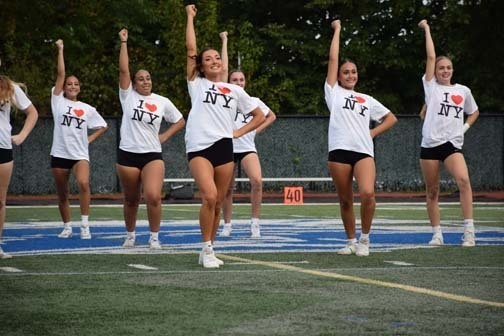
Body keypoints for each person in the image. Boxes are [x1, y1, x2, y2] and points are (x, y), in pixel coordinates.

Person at [185, 4, 265, 268]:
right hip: (198, 146)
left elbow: (259, 116)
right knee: (208, 196)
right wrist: (190, 18)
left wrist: (237, 133)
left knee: (218, 201)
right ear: (201, 66)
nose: (214, 61)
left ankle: (209, 248)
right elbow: (190, 50)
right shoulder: (197, 84)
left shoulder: (234, 90)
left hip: (223, 147)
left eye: (217, 58)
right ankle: (206, 248)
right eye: (208, 59)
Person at [325, 19, 397, 257]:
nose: (350, 75)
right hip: (338, 151)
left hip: (364, 151)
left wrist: (372, 133)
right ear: (338, 76)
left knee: (368, 193)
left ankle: (365, 239)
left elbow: (391, 118)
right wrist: (337, 31)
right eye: (346, 72)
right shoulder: (333, 93)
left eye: (353, 72)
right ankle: (350, 241)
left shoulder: (367, 99)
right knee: (345, 200)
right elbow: (333, 59)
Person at [118, 28, 185, 249]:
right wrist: (124, 42)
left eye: (148, 78)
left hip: (152, 155)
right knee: (131, 199)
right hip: (127, 154)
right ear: (134, 84)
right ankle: (130, 235)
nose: (145, 82)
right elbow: (124, 70)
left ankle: (154, 237)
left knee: (154, 196)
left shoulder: (161, 101)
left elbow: (180, 120)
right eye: (141, 79)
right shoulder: (128, 96)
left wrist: (164, 135)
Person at [418, 19, 479, 247]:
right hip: (430, 145)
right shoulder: (430, 86)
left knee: (463, 180)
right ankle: (437, 234)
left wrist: (463, 128)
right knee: (432, 191)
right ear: (435, 71)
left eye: (448, 67)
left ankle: (469, 231)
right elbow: (431, 57)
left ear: (452, 70)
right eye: (441, 68)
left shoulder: (463, 91)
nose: (445, 70)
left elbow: (474, 112)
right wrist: (427, 29)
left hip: (451, 145)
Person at [218, 32, 277, 238]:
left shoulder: (253, 100)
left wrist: (254, 130)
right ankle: (227, 225)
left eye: (241, 79)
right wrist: (224, 41)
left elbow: (270, 116)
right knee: (226, 189)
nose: (238, 82)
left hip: (247, 147)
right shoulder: (223, 98)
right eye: (234, 79)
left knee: (257, 181)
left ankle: (255, 224)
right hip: (227, 147)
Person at [52, 39, 108, 240]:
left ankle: (85, 225)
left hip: (79, 154)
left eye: (76, 84)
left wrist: (90, 138)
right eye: (69, 83)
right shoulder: (57, 100)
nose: (72, 86)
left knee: (84, 183)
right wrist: (60, 50)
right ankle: (67, 227)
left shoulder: (87, 108)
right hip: (59, 153)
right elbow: (60, 74)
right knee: (62, 194)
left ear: (80, 88)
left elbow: (103, 125)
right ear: (64, 87)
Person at [0, 75, 38, 258]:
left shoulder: (10, 87)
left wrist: (22, 135)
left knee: (0, 201)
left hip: (3, 148)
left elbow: (32, 112)